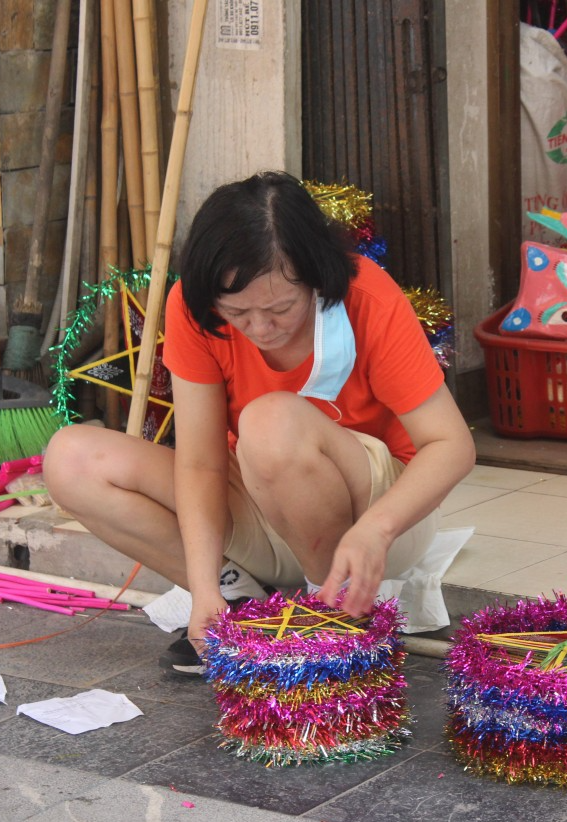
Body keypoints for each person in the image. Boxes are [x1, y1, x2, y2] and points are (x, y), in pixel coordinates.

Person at [42, 170, 475, 673]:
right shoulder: (193, 306)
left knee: (270, 422)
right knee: (71, 458)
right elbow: (202, 463)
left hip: (380, 521)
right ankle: (243, 608)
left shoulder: (367, 299)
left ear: (316, 277)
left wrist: (376, 530)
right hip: (260, 501)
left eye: (281, 308)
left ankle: (329, 615)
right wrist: (202, 590)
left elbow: (452, 445)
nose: (260, 328)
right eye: (238, 313)